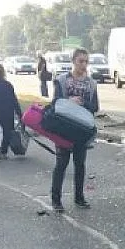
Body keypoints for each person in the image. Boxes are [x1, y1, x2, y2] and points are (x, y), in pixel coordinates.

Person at [50, 47, 98, 212]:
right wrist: (69, 100)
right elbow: (54, 102)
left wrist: (83, 103)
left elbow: (95, 107)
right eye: (81, 61)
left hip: (81, 130)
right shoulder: (62, 80)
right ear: (73, 61)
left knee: (80, 165)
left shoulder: (91, 83)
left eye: (86, 61)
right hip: (64, 127)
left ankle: (79, 197)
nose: (84, 65)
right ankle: (56, 200)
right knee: (61, 164)